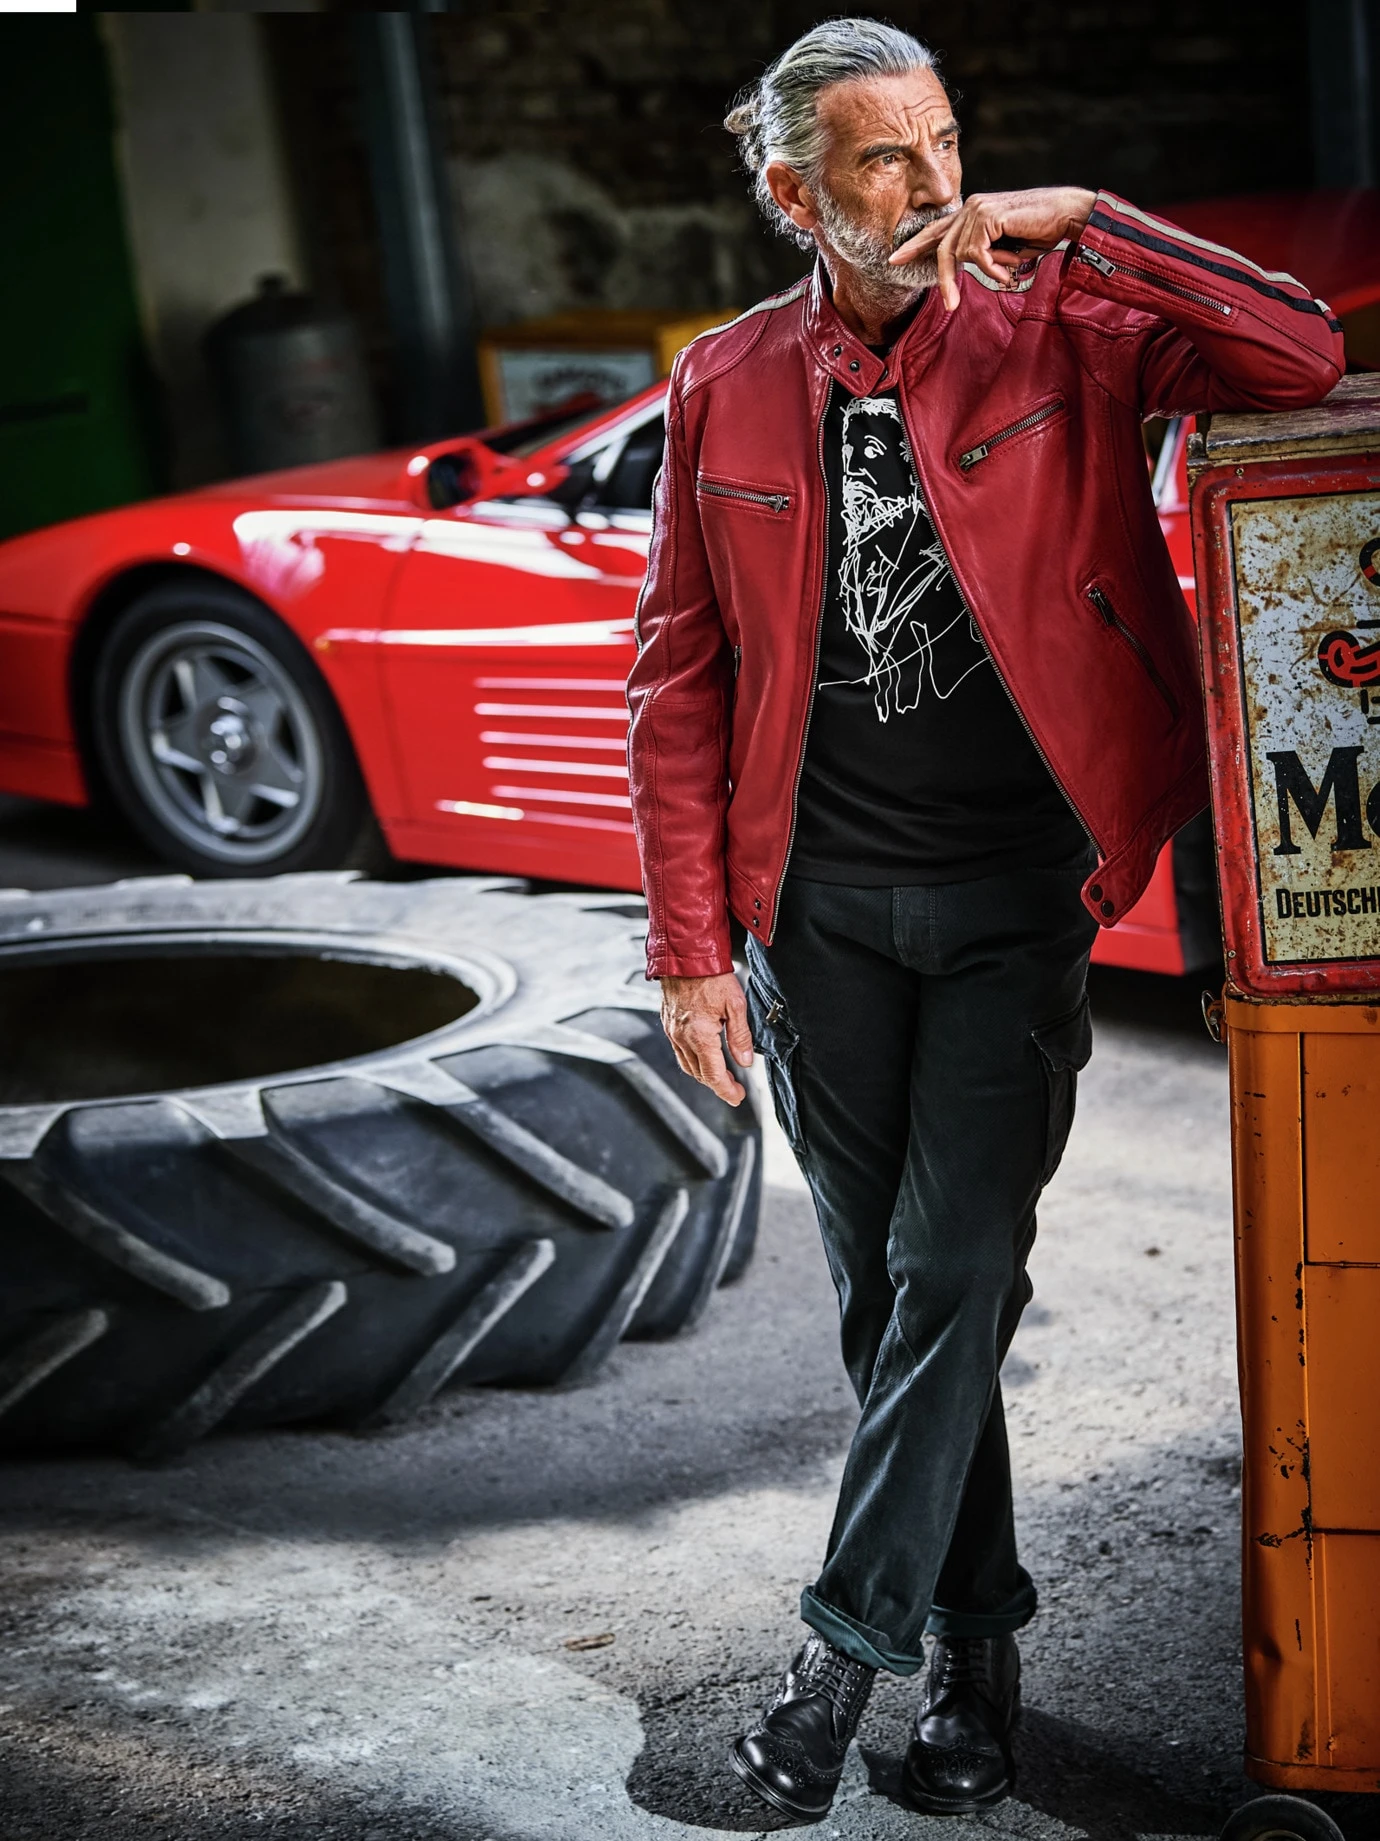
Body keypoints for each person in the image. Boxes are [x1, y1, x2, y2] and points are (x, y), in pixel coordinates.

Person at [626, 17, 1342, 1824]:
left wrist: (1090, 216)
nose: (932, 183)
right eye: (884, 157)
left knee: (954, 1273)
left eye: (944, 140)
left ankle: (838, 1665)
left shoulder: (1064, 321)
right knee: (893, 1301)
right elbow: (680, 677)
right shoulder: (724, 383)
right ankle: (978, 1657)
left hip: (1018, 897)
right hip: (816, 917)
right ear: (798, 195)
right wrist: (692, 944)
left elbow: (1300, 351)